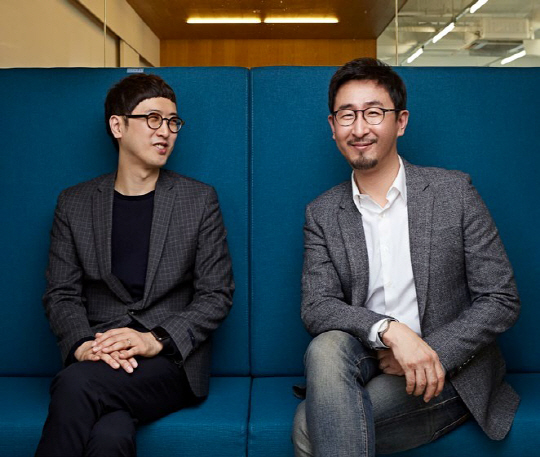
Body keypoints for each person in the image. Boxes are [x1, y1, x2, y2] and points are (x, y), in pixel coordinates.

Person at [292, 57, 520, 457]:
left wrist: (429, 350)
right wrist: (392, 333)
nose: (359, 129)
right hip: (370, 355)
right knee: (325, 347)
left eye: (373, 113)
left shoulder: (454, 193)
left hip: (450, 367)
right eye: (347, 115)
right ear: (332, 126)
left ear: (400, 121)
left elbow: (500, 299)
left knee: (310, 427)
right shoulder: (322, 213)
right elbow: (318, 306)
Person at [36, 73, 234, 456]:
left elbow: (216, 295)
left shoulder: (198, 200)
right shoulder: (74, 204)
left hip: (168, 361)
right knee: (110, 436)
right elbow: (61, 294)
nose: (166, 131)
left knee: (75, 385)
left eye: (173, 121)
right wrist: (83, 346)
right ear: (118, 126)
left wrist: (153, 339)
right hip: (99, 354)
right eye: (153, 119)